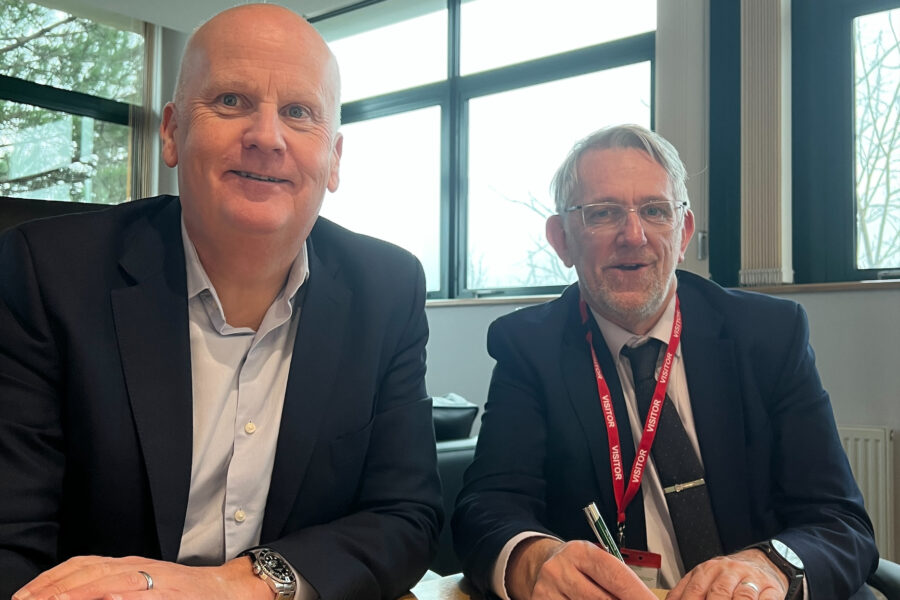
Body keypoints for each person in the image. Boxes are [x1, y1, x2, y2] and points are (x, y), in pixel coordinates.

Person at [0, 5, 441, 599]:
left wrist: (241, 584)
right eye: (231, 101)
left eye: (298, 112)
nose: (266, 136)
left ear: (334, 159)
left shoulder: (388, 288)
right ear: (173, 132)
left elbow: (404, 518)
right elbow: (11, 538)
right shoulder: (47, 273)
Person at [452, 124, 878, 600]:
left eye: (655, 211)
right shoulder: (531, 347)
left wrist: (771, 567)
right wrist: (535, 562)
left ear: (683, 233)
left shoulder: (768, 334)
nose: (633, 236)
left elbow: (839, 522)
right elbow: (488, 507)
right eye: (603, 213)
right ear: (562, 240)